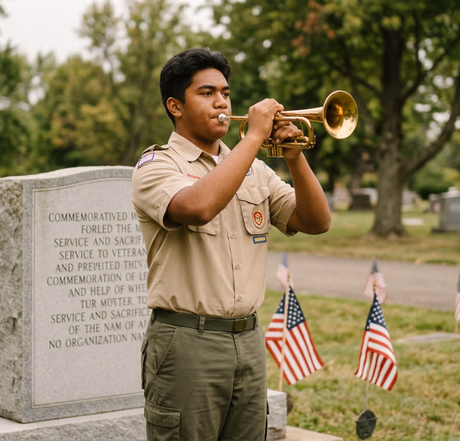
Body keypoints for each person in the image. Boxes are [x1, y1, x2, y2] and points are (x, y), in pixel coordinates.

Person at [131, 47, 331, 440]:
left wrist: (293, 158)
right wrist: (256, 136)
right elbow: (199, 206)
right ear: (175, 106)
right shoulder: (157, 166)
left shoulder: (255, 168)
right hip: (187, 341)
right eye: (206, 93)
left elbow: (316, 221)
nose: (221, 101)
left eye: (225, 92)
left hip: (248, 339)